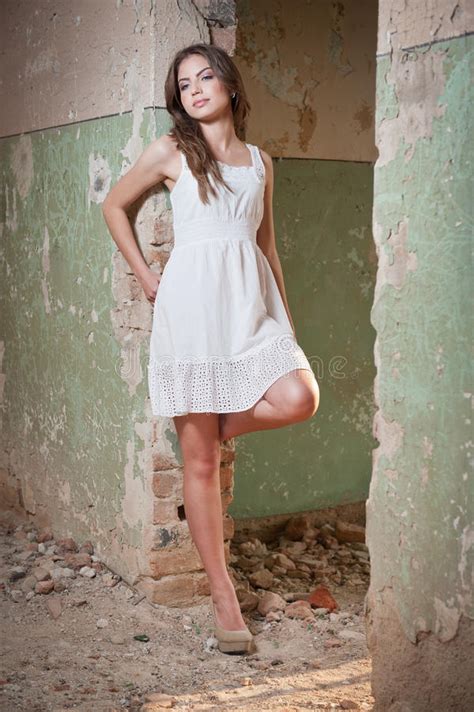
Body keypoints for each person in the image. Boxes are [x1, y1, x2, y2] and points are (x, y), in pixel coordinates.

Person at [102, 42, 320, 654]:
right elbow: (114, 206)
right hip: (191, 312)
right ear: (180, 98)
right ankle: (223, 598)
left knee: (301, 395)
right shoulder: (172, 151)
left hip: (252, 311)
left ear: (228, 84)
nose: (195, 88)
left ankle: (215, 424)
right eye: (185, 83)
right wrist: (148, 278)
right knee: (197, 466)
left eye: (205, 76)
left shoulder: (260, 163)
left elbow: (267, 245)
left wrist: (287, 320)